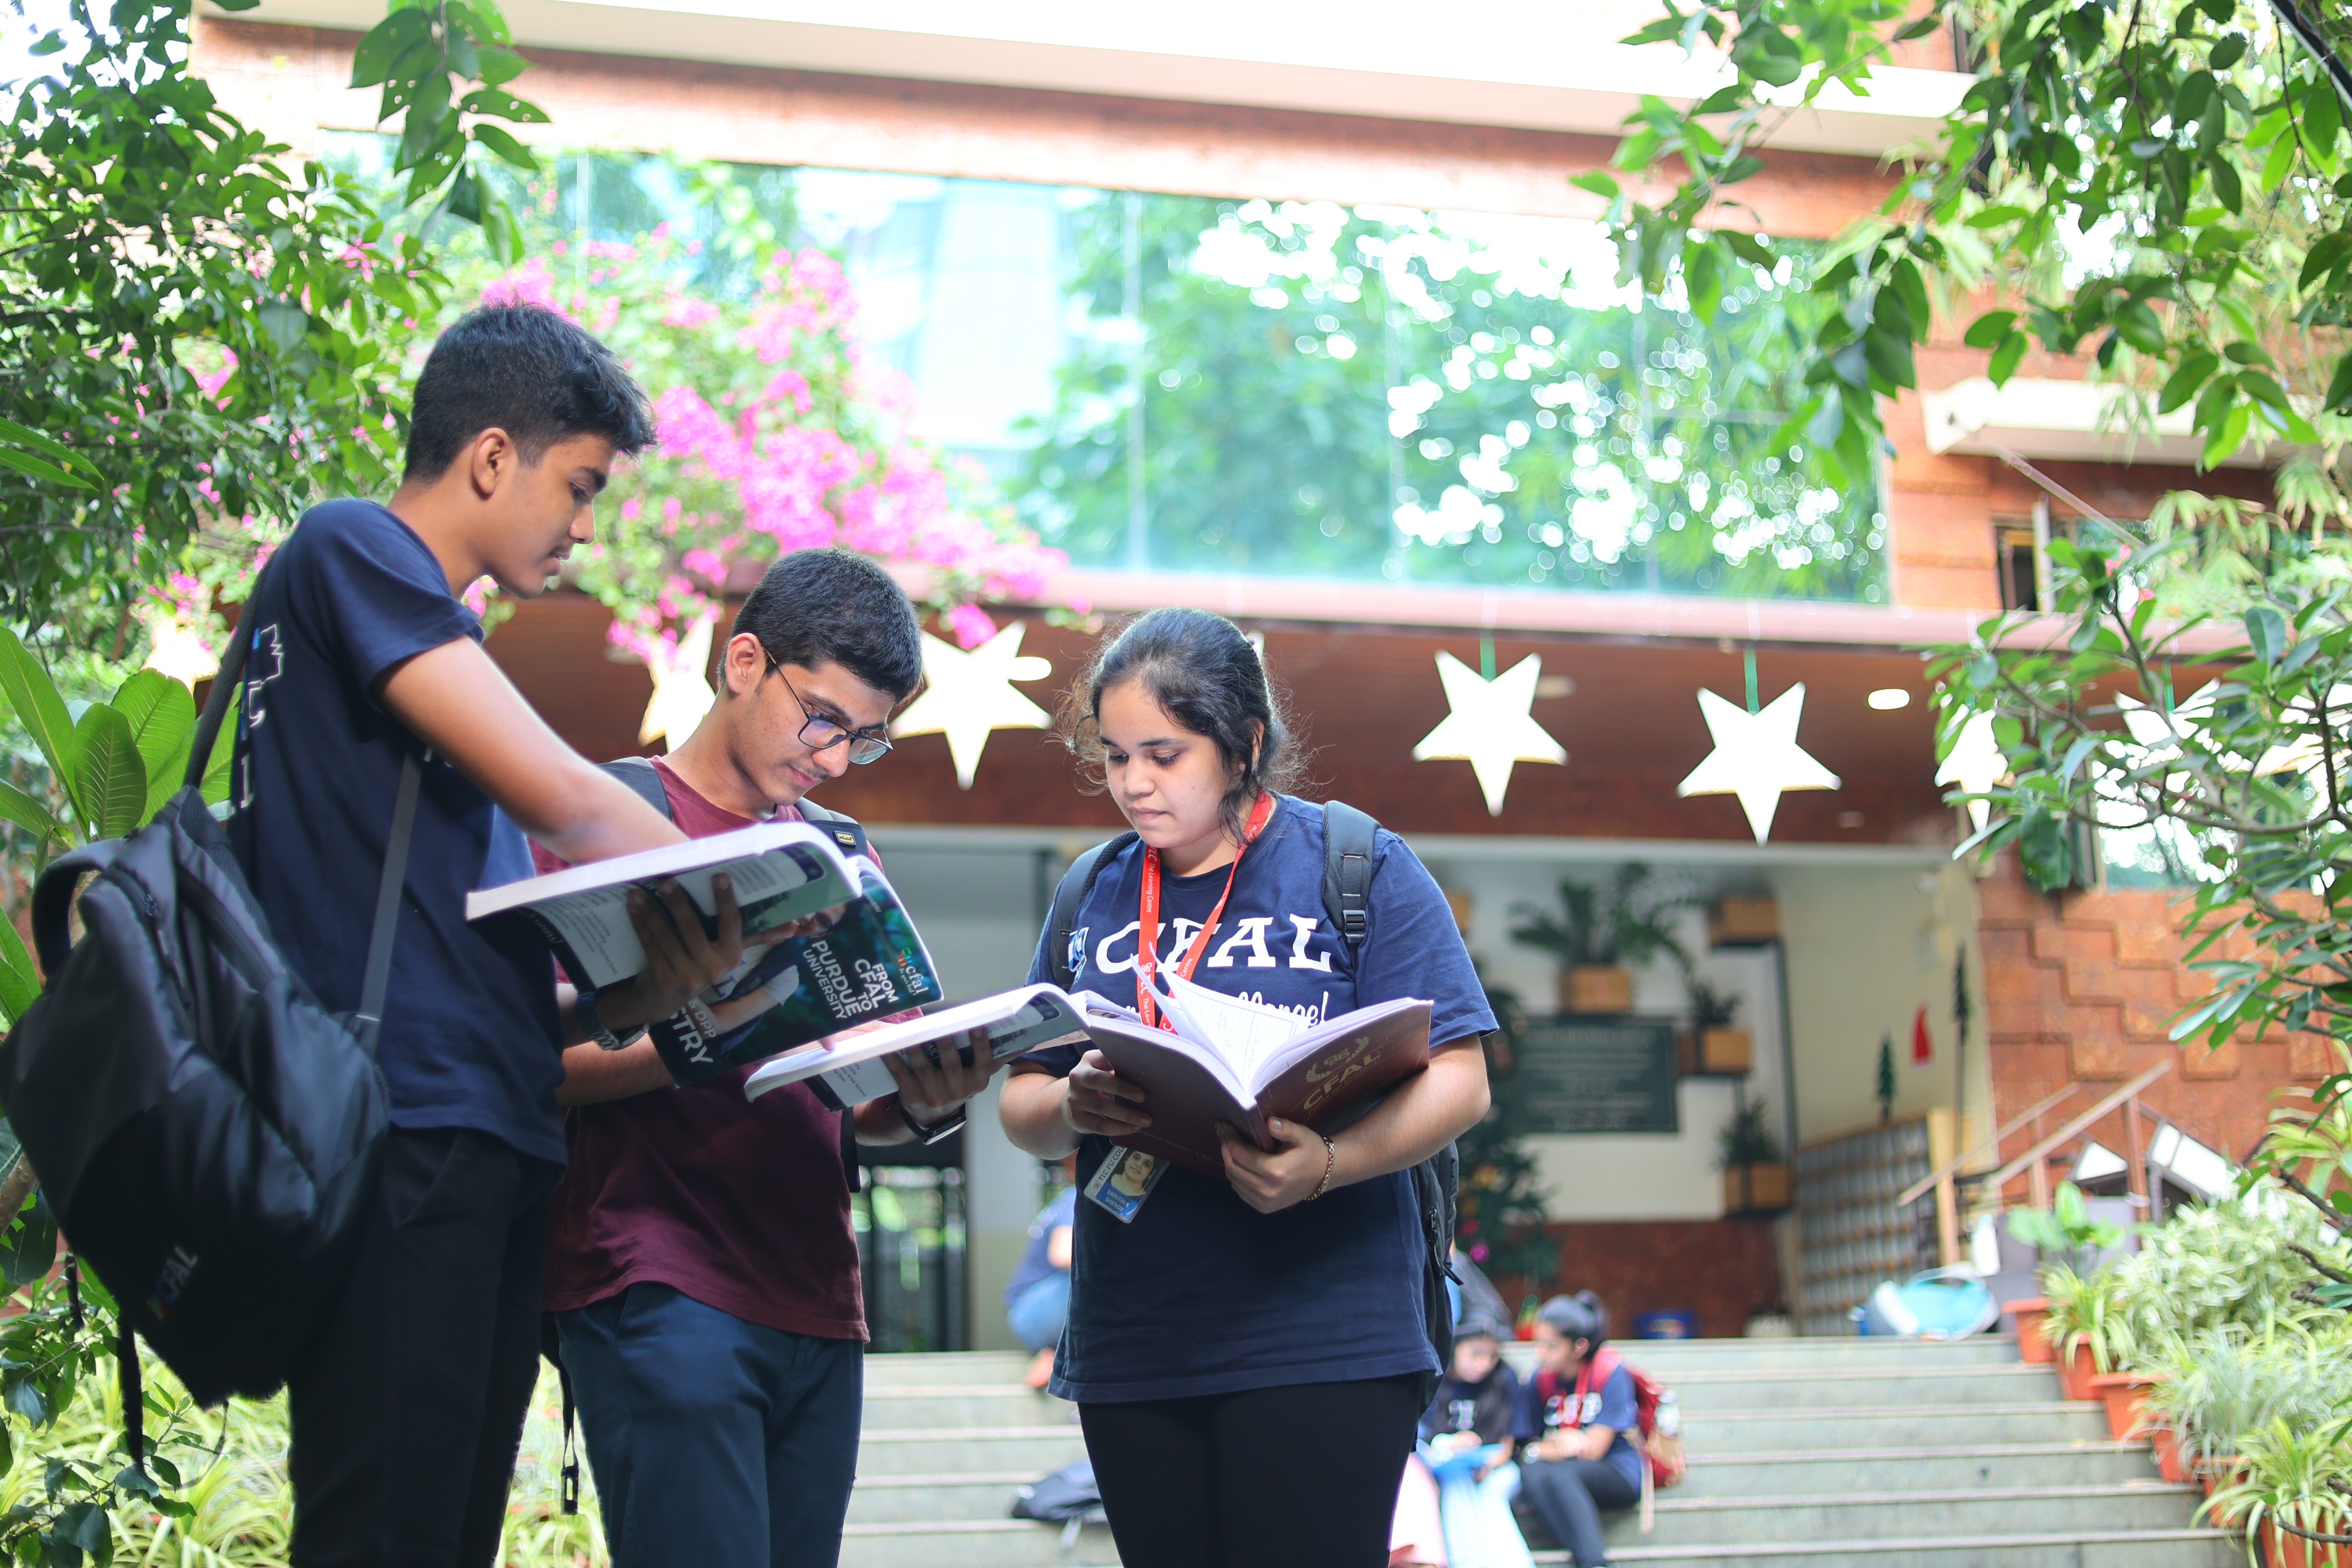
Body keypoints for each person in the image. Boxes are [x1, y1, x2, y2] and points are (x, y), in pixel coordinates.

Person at [230, 302, 766, 1567]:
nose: (584, 528)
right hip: (401, 1129)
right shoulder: (354, 546)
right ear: (488, 458)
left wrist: (647, 993)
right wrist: (761, 893)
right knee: (387, 1528)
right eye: (579, 486)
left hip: (481, 1135)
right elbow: (569, 799)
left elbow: (488, 969)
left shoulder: (429, 672)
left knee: (443, 1528)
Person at [998, 606, 1495, 1568]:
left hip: (1327, 1329)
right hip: (1138, 1337)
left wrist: (1330, 1162)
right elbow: (1025, 1099)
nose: (1134, 783)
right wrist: (1068, 1106)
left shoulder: (1356, 863)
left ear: (1244, 746)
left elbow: (1461, 1081)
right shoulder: (1090, 890)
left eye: (1165, 754)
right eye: (1115, 756)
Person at [539, 548, 1004, 1568]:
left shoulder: (839, 849)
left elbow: (850, 1094)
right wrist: (710, 1036)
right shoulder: (607, 818)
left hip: (818, 1296)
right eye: (824, 720)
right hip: (657, 1277)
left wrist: (925, 1097)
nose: (836, 760)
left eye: (865, 739)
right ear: (744, 662)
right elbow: (530, 1058)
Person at [1516, 1292, 1642, 1568]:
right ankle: (1588, 1559)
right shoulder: (1539, 1379)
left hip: (1616, 1469)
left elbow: (1593, 1450)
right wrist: (1559, 1439)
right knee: (1532, 1472)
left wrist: (1545, 1449)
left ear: (1579, 1347)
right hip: (1562, 1473)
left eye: (1551, 1347)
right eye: (1538, 1344)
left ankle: (1594, 1562)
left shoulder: (1611, 1373)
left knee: (1559, 1474)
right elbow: (1529, 1446)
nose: (1540, 1353)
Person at [1415, 1316, 1536, 1568]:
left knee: (1491, 1494)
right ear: (1455, 1348)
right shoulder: (1434, 1379)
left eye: (1492, 1356)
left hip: (1495, 1467)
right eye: (1475, 1354)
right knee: (1455, 1481)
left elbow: (1509, 1443)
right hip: (1447, 1467)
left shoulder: (1504, 1377)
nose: (1484, 1364)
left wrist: (1488, 1465)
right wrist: (1450, 1445)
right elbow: (1425, 1440)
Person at [1005, 1166, 1076, 1389]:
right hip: (1036, 1310)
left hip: (1029, 1315)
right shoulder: (1078, 1196)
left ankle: (1054, 1354)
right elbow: (1062, 1255)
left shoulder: (1068, 1198)